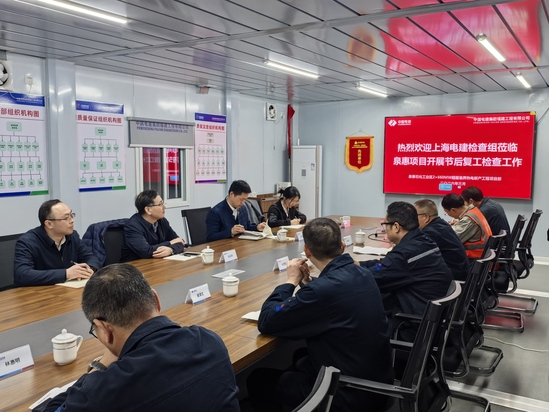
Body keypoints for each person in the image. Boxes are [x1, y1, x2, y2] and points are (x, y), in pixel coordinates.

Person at [43, 264, 240, 411]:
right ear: (156, 299)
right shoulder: (209, 340)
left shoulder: (106, 389)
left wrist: (100, 366)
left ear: (104, 329)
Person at [247, 218, 393, 412]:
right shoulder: (363, 273)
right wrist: (308, 283)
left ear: (307, 251)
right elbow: (332, 295)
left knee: (259, 379)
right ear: (342, 246)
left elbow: (267, 321)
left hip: (347, 394)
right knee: (300, 357)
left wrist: (290, 281)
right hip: (376, 383)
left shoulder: (321, 292)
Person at [359, 201, 453, 320]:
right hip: (428, 313)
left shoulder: (405, 253)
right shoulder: (423, 240)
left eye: (385, 224)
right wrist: (360, 264)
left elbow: (372, 278)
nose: (385, 229)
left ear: (396, 227)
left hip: (411, 321)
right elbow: (386, 264)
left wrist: (350, 270)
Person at [13, 199, 100, 286]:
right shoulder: (27, 242)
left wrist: (89, 268)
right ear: (49, 224)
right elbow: (22, 274)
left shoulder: (72, 236)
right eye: (66, 218)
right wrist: (66, 274)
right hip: (38, 292)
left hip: (66, 289)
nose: (72, 220)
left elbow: (91, 257)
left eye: (71, 215)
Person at [120, 190, 186, 262]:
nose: (164, 207)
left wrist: (171, 250)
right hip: (135, 266)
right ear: (148, 210)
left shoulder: (162, 221)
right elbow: (146, 251)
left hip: (157, 262)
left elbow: (180, 242)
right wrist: (170, 243)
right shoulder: (132, 226)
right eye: (160, 204)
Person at [414, 199, 469, 281]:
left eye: (414, 216)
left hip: (453, 278)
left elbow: (415, 255)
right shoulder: (441, 224)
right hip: (459, 272)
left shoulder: (431, 232)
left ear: (426, 217)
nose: (412, 220)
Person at [441, 193, 493, 260]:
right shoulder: (473, 210)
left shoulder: (468, 220)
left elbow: (451, 240)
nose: (447, 214)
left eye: (446, 212)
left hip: (474, 259)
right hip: (483, 256)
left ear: (453, 210)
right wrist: (458, 223)